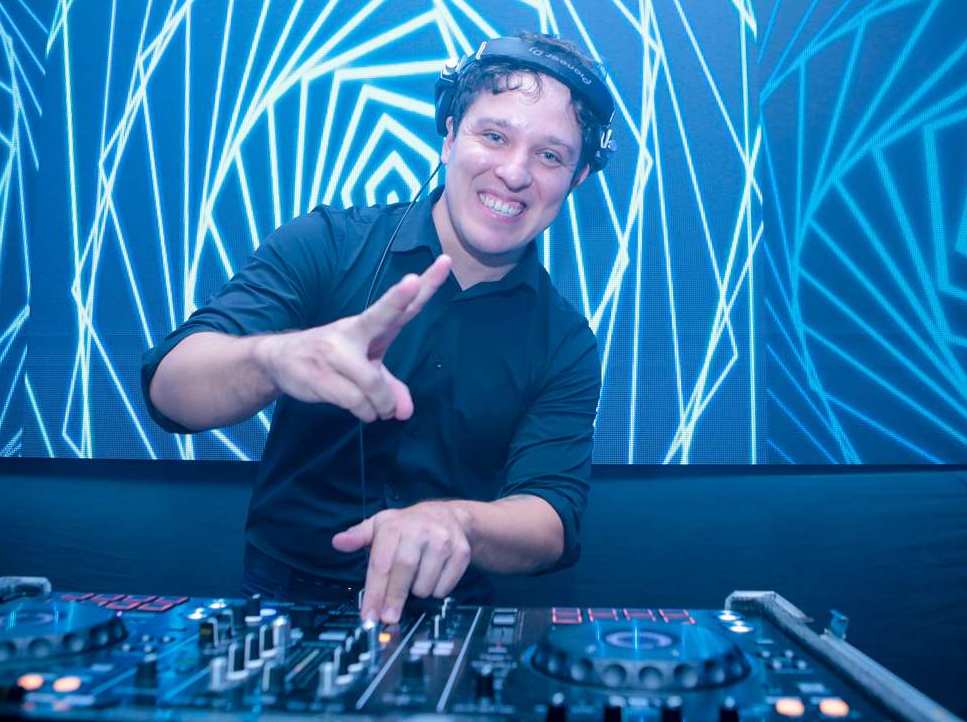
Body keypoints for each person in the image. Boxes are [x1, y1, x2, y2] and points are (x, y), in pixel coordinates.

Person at [141, 32, 614, 624]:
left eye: (549, 156)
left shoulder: (566, 341)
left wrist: (457, 521)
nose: (514, 172)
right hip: (281, 598)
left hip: (449, 614)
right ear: (449, 134)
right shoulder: (325, 244)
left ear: (578, 177)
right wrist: (276, 359)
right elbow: (170, 391)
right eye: (494, 136)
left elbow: (551, 519)